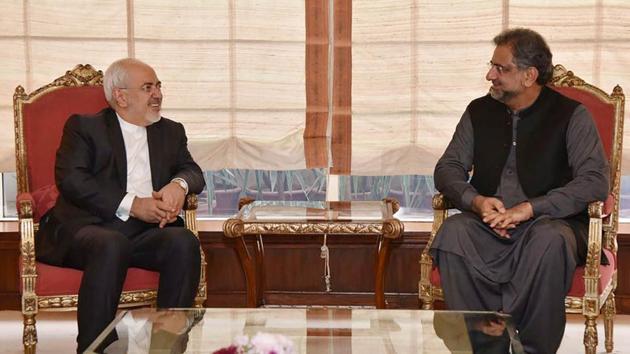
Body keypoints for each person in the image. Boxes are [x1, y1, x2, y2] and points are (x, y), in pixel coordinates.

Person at [430, 28, 609, 354]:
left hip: (549, 225)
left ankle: (531, 349)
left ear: (529, 75)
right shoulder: (478, 111)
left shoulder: (571, 116)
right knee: (454, 232)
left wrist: (531, 208)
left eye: (501, 69)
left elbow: (595, 180)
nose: (490, 75)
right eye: (491, 65)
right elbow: (447, 168)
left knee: (549, 240)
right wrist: (477, 201)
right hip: (487, 225)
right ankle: (483, 346)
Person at [36, 58, 205, 353]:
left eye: (158, 86)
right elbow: (73, 180)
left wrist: (178, 186)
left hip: (143, 232)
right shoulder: (84, 128)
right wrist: (132, 204)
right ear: (121, 96)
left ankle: (168, 346)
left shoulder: (171, 131)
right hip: (86, 229)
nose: (158, 95)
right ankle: (94, 347)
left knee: (183, 241)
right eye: (148, 87)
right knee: (111, 244)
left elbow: (193, 171)